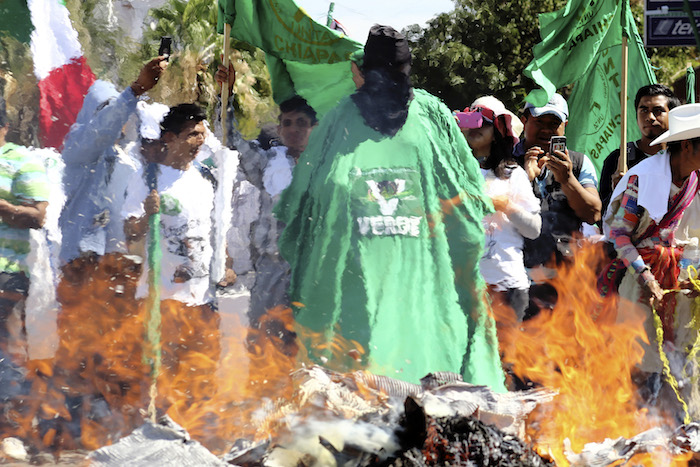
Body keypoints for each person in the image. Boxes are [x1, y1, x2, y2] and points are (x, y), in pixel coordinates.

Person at [275, 25, 506, 390]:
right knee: (360, 381)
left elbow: (461, 192)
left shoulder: (430, 116)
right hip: (356, 275)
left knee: (422, 369)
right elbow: (309, 196)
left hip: (422, 272)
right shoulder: (341, 120)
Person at [122, 103, 221, 401]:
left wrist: (224, 263)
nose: (199, 141)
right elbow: (130, 232)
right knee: (161, 377)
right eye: (191, 134)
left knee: (202, 374)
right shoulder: (148, 178)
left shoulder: (205, 179)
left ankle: (197, 436)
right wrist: (145, 215)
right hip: (162, 298)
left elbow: (214, 230)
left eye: (202, 134)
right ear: (169, 138)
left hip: (203, 297)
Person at [601, 104, 700, 381]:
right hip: (641, 281)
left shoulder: (696, 182)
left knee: (680, 363)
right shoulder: (642, 179)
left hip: (681, 285)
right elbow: (620, 236)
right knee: (641, 365)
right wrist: (647, 278)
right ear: (687, 146)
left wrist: (696, 275)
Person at [216, 63, 318, 326]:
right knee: (265, 344)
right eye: (288, 123)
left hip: (314, 272)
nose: (294, 129)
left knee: (311, 349)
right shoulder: (268, 163)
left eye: (302, 123)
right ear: (280, 130)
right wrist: (225, 98)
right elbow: (231, 142)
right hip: (270, 269)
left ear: (314, 128)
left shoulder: (328, 168)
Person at [58, 56, 166, 285]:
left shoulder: (132, 158)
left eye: (118, 109)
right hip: (80, 264)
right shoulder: (78, 144)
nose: (118, 118)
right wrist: (136, 90)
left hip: (119, 265)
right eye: (105, 110)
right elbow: (101, 130)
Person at [461, 96, 541, 321]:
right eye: (470, 120)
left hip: (507, 289)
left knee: (506, 356)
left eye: (483, 121)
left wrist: (506, 206)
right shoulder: (452, 173)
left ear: (498, 130)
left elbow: (534, 229)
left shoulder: (513, 174)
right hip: (463, 288)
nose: (475, 127)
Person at [515, 93, 602, 268]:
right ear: (524, 121)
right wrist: (525, 179)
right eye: (539, 122)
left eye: (554, 124)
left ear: (565, 126)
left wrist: (567, 179)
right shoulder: (503, 161)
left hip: (565, 273)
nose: (547, 130)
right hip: (515, 271)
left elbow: (593, 214)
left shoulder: (579, 163)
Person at [0, 95, 49, 361]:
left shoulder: (21, 160)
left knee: (9, 359)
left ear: (5, 126)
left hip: (6, 273)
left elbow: (38, 217)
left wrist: (4, 208)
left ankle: (16, 402)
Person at [599, 84, 681, 216]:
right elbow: (602, 216)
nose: (650, 117)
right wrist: (617, 192)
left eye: (657, 110)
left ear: (671, 115)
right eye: (643, 110)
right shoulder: (619, 159)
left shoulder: (683, 157)